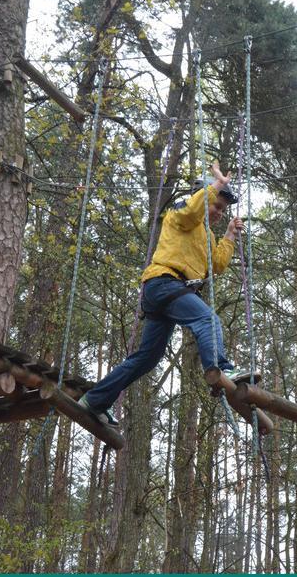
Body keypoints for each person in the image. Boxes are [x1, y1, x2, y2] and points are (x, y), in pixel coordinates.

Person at [79, 161, 246, 426]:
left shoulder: (205, 234)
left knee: (147, 358)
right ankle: (223, 370)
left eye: (223, 210)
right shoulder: (180, 212)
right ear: (203, 197)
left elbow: (217, 265)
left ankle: (94, 400)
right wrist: (216, 185)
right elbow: (193, 210)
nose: (220, 212)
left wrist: (228, 236)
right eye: (217, 205)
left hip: (169, 292)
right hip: (164, 282)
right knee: (207, 320)